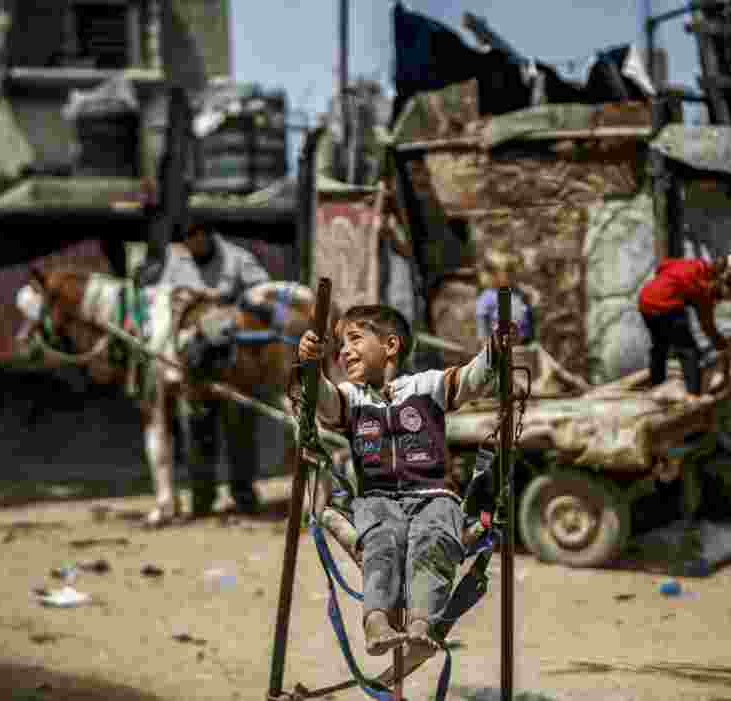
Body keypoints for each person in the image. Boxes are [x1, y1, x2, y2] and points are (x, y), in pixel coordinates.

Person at [298, 304, 514, 660]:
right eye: (339, 345)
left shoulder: (426, 386)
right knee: (382, 542)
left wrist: (495, 348)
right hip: (377, 498)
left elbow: (472, 379)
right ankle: (377, 622)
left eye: (354, 339)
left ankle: (420, 624)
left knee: (432, 541)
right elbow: (322, 401)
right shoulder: (350, 398)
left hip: (434, 496)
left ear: (391, 346)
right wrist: (310, 365)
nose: (343, 351)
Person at [159, 221, 272, 515]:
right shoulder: (178, 261)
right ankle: (202, 499)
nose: (192, 246)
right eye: (187, 240)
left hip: (234, 361)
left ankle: (243, 495)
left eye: (197, 238)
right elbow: (164, 299)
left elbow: (263, 292)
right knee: (197, 431)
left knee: (240, 433)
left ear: (208, 236)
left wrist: (221, 299)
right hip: (192, 364)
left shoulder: (238, 259)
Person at [638, 253, 731, 402]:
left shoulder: (694, 264)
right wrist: (723, 346)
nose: (728, 299)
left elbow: (662, 266)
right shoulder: (704, 286)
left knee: (660, 346)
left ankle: (656, 386)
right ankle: (692, 397)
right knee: (688, 350)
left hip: (646, 299)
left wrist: (667, 283)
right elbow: (707, 326)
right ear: (725, 279)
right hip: (666, 304)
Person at [475, 249, 534, 347]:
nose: (513, 274)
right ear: (494, 274)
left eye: (514, 270)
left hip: (522, 345)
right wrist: (485, 343)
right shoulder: (488, 297)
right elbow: (482, 321)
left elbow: (527, 317)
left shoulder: (519, 293)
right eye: (509, 270)